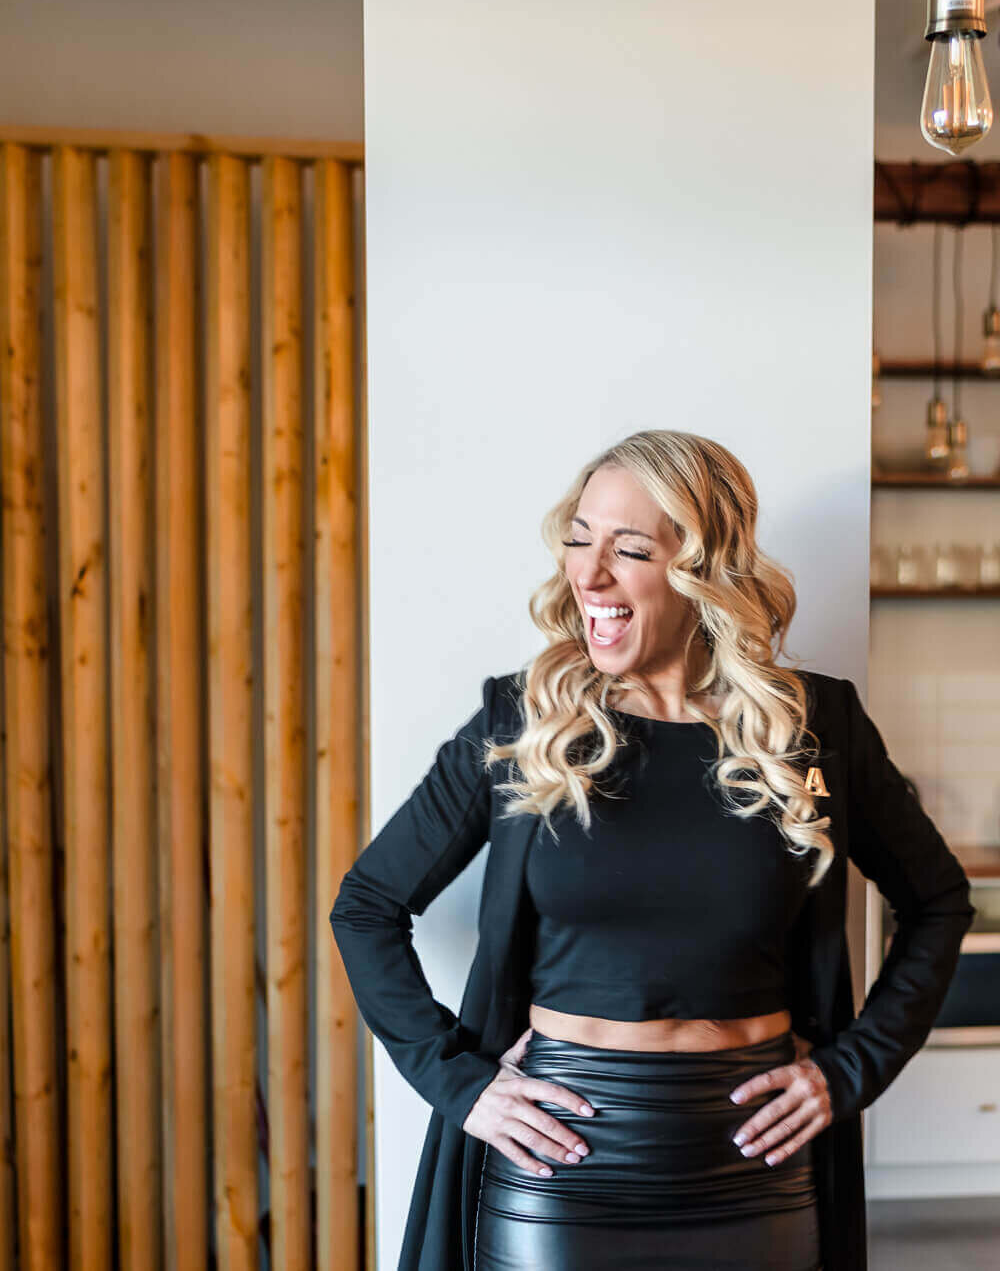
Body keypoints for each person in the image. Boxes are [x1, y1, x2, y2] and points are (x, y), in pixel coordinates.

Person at [331, 429, 975, 1271]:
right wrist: (461, 1083)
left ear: (705, 570)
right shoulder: (524, 722)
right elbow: (368, 907)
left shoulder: (815, 727)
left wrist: (850, 1071)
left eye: (630, 549)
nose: (589, 574)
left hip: (757, 1159)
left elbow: (938, 902)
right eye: (578, 539)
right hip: (560, 1162)